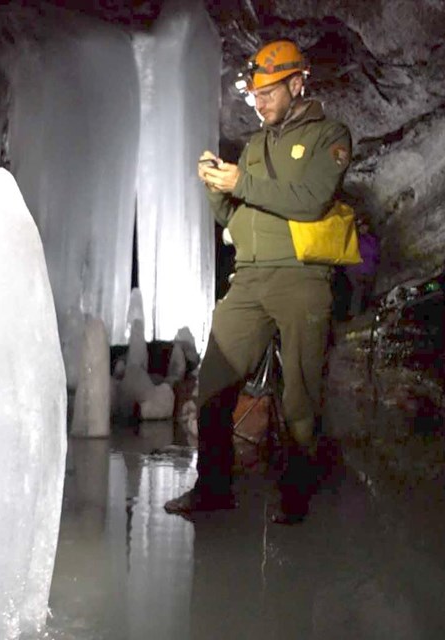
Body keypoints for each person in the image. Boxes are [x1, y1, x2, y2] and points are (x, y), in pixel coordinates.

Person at [164, 39, 352, 524]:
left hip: (301, 278)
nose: (260, 101)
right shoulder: (254, 146)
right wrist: (214, 187)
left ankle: (296, 494)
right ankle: (213, 487)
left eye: (268, 91)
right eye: (255, 94)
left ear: (296, 83)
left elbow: (310, 199)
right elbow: (232, 212)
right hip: (248, 278)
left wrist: (240, 184)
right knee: (213, 382)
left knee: (300, 395)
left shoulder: (328, 135)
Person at [344, 217, 380, 316]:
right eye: (361, 227)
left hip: (369, 269)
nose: (363, 229)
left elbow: (375, 253)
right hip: (357, 269)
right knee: (358, 290)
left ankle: (365, 313)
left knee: (367, 290)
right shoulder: (355, 239)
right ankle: (355, 313)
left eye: (365, 226)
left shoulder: (371, 239)